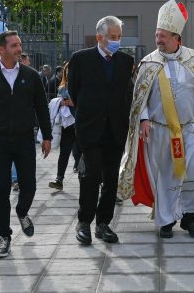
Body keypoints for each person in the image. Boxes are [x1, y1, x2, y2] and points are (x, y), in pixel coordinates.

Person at [118, 0, 194, 240]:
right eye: (157, 35)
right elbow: (140, 99)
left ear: (176, 36)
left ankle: (190, 218)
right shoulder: (149, 63)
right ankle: (166, 220)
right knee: (167, 177)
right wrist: (144, 119)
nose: (158, 39)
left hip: (190, 130)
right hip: (161, 131)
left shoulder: (193, 59)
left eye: (163, 36)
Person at [0, 31, 52, 258]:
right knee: (1, 190)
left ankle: (22, 211)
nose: (19, 49)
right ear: (1, 49)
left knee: (30, 186)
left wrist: (47, 136)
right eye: (14, 45)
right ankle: (4, 237)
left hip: (25, 139)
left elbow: (41, 107)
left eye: (19, 45)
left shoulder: (31, 76)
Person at [68, 16, 134, 245]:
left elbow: (128, 93)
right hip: (90, 128)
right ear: (99, 37)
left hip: (115, 129)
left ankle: (103, 223)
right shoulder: (81, 59)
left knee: (111, 179)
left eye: (119, 37)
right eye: (112, 37)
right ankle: (84, 222)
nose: (116, 41)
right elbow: (74, 92)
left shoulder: (126, 61)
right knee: (91, 175)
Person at [48, 62, 80, 191]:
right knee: (65, 151)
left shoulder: (83, 85)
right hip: (68, 124)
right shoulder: (63, 87)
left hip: (83, 124)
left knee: (86, 152)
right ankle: (59, 179)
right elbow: (62, 102)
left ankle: (97, 180)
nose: (69, 73)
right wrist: (64, 102)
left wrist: (74, 102)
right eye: (67, 71)